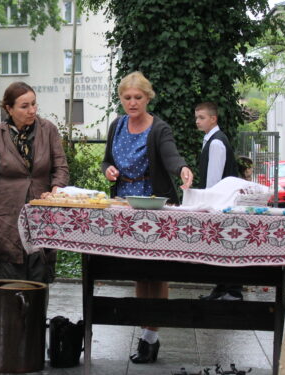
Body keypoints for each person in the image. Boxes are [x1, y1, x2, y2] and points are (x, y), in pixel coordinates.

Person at [101, 72, 193, 364]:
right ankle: (145, 332)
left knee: (158, 271)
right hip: (124, 204)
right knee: (138, 272)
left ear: (147, 98)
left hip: (154, 206)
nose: (132, 103)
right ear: (121, 99)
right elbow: (106, 159)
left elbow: (170, 156)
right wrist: (108, 170)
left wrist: (182, 170)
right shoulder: (117, 125)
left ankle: (150, 338)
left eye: (137, 98)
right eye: (127, 98)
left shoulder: (159, 128)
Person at [0, 81, 69, 283]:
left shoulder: (48, 130)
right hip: (6, 215)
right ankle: (7, 315)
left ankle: (36, 315)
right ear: (9, 109)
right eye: (24, 106)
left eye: (34, 104)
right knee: (6, 274)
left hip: (41, 212)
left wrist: (56, 192)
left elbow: (61, 168)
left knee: (39, 272)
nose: (32, 110)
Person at [194, 102, 242, 302]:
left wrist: (208, 203)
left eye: (202, 117)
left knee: (225, 244)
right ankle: (223, 288)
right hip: (222, 201)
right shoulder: (212, 139)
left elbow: (214, 179)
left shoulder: (216, 142)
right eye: (196, 118)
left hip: (221, 203)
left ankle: (232, 290)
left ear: (213, 119)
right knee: (222, 245)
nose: (197, 121)